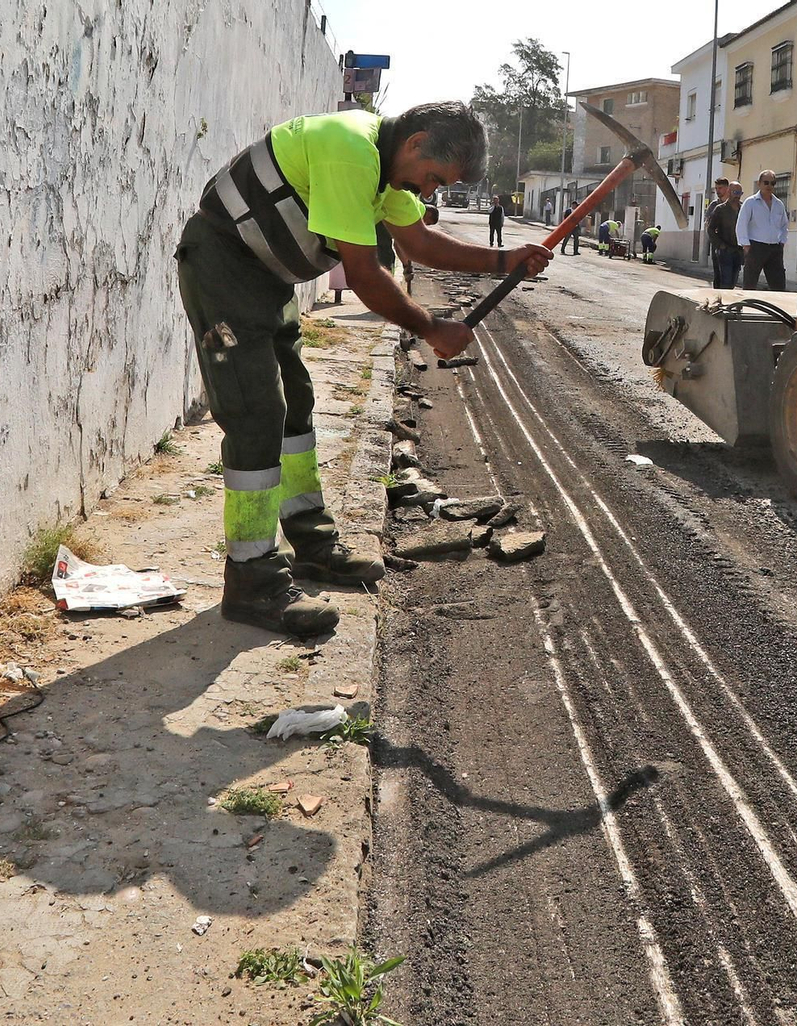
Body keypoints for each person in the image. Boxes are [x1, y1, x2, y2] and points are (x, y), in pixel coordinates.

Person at [176, 101, 551, 636]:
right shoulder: (351, 149)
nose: (428, 194)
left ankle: (310, 540)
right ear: (416, 143)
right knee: (256, 413)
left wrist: (504, 259)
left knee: (296, 405)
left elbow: (419, 242)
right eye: (433, 179)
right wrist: (430, 329)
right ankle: (251, 580)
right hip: (224, 268)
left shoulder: (388, 171)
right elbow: (364, 274)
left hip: (265, 279)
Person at [737, 169, 789, 291]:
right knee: (750, 283)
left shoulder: (779, 204)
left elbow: (784, 225)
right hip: (756, 247)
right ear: (759, 184)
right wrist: (745, 245)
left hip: (774, 249)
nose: (769, 186)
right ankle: (746, 307)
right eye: (766, 182)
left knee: (779, 285)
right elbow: (741, 224)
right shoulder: (750, 203)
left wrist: (782, 241)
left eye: (772, 183)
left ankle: (778, 308)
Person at [398, 203, 440, 294]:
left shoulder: (416, 206)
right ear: (428, 214)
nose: (425, 225)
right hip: (381, 221)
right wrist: (406, 266)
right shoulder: (415, 216)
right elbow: (398, 244)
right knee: (385, 258)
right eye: (427, 223)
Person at [709, 181, 743, 289]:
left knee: (733, 280)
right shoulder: (720, 209)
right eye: (735, 192)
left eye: (739, 193)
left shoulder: (743, 209)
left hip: (738, 251)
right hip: (725, 251)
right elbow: (710, 229)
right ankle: (722, 303)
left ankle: (727, 302)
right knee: (725, 281)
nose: (737, 195)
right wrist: (720, 245)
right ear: (728, 191)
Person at [705, 177, 730, 287]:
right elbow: (708, 223)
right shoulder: (713, 205)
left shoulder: (735, 203)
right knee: (718, 274)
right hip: (718, 244)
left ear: (727, 188)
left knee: (732, 275)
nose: (717, 191)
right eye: (716, 188)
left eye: (720, 188)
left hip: (732, 244)